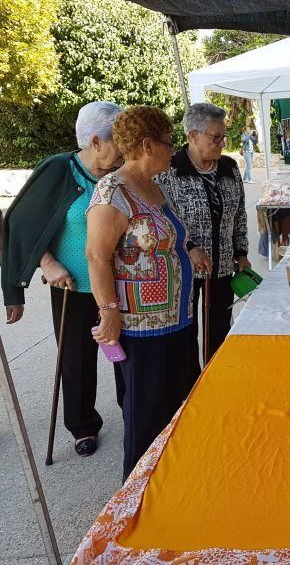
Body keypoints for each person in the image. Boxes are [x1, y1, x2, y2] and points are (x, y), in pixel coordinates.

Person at [1, 101, 125, 457]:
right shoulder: (60, 169)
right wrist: (48, 262)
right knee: (76, 359)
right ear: (97, 141)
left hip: (120, 286)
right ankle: (83, 426)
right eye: (118, 139)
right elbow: (20, 222)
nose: (125, 148)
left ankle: (133, 411)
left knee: (126, 355)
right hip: (73, 287)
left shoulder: (121, 175)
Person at [86, 105, 199, 479]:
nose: (174, 150)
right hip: (142, 328)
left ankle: (173, 484)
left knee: (178, 410)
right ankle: (135, 501)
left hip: (176, 320)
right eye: (170, 143)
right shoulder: (112, 190)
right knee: (146, 418)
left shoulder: (154, 186)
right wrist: (109, 311)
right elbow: (97, 256)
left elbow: (167, 241)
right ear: (149, 145)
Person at [156, 102, 249, 364]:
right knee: (185, 335)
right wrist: (189, 246)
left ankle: (217, 379)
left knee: (219, 331)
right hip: (183, 268)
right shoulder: (169, 170)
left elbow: (239, 214)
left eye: (223, 137)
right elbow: (163, 218)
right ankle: (189, 390)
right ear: (192, 136)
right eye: (214, 137)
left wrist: (241, 252)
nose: (221, 143)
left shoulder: (229, 168)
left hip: (221, 269)